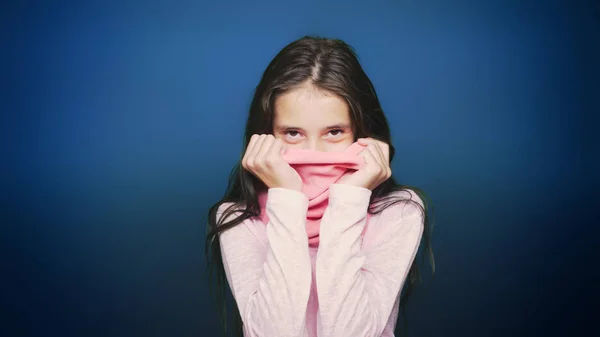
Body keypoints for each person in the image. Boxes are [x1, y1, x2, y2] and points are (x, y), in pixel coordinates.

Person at [205, 36, 434, 337]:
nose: (315, 153)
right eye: (293, 133)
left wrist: (351, 199)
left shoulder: (398, 211)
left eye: (335, 132)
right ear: (265, 137)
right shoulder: (239, 217)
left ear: (361, 133)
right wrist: (286, 198)